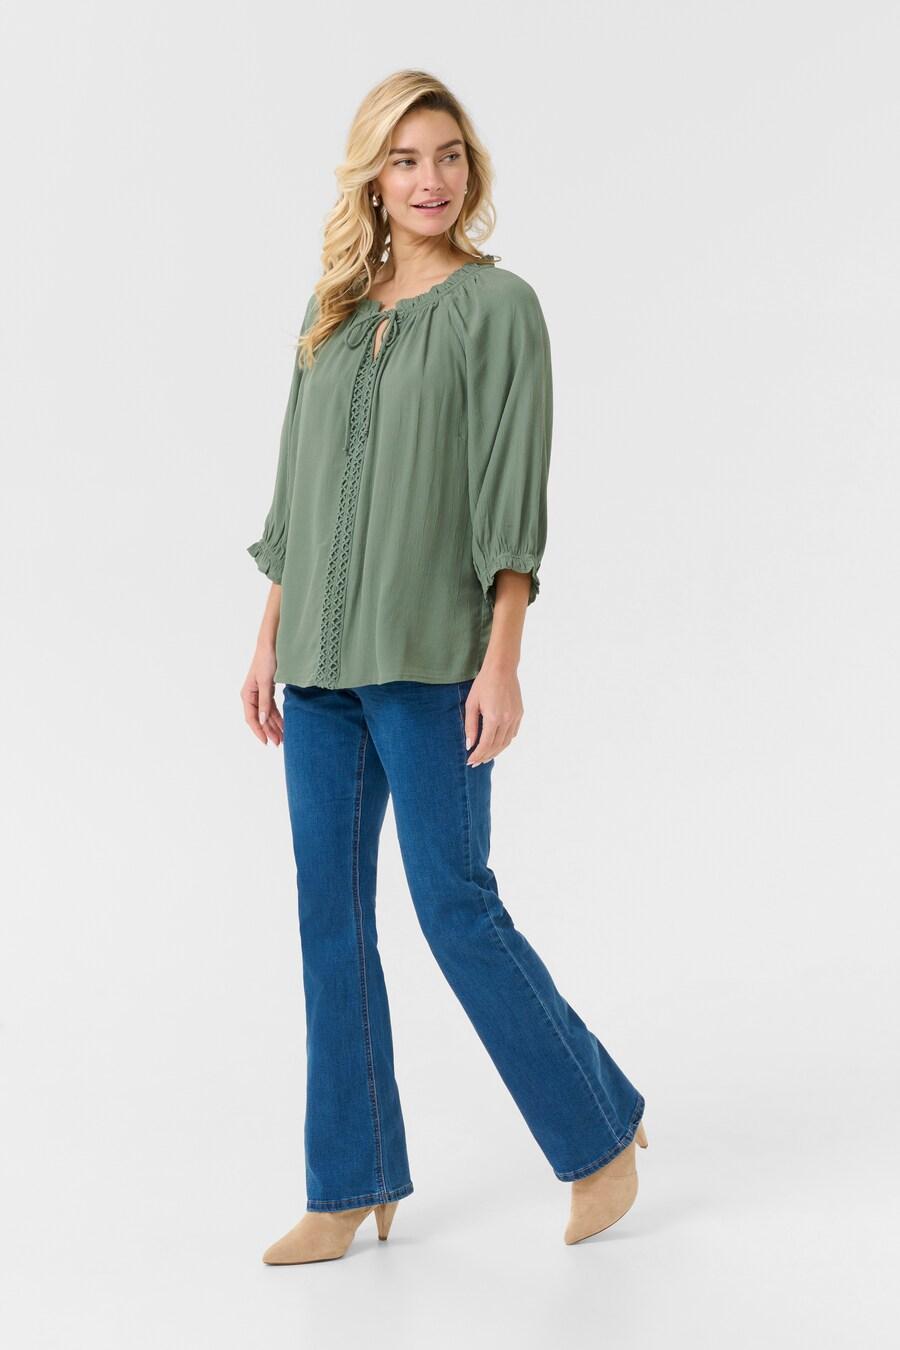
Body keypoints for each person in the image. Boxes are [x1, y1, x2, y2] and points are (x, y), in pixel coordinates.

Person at [241, 70, 648, 1265]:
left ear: (471, 171)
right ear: (373, 175)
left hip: (431, 660)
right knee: (328, 921)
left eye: (450, 156)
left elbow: (510, 498)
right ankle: (348, 1184)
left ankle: (600, 1136)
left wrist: (502, 659)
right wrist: (267, 638)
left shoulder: (498, 307)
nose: (431, 180)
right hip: (318, 667)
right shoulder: (330, 312)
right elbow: (296, 494)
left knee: (455, 907)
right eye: (407, 158)